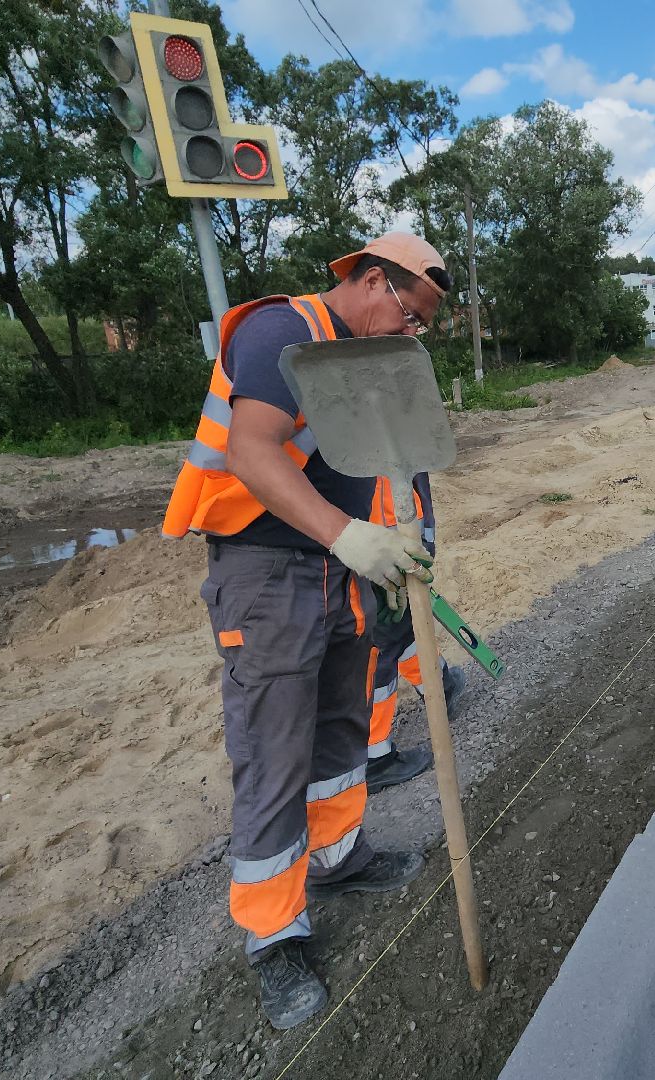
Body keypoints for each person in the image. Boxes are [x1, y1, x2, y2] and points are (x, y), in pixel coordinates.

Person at [160, 231, 453, 1030]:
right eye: (408, 312)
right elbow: (253, 453)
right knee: (273, 751)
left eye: (421, 323)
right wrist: (345, 536)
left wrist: (403, 541)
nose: (410, 332)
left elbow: (395, 462)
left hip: (343, 569)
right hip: (269, 572)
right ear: (367, 280)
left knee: (338, 732)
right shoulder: (281, 334)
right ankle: (273, 935)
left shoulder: (364, 356)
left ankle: (336, 858)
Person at [364, 470, 466, 788]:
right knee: (380, 642)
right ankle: (374, 754)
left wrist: (426, 539)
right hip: (370, 544)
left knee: (403, 627)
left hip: (393, 534)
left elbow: (417, 475)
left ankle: (438, 683)